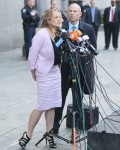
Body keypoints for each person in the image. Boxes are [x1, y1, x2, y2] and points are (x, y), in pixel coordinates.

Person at [18, 8, 63, 149]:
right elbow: (32, 54)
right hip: (44, 74)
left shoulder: (58, 33)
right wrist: (33, 71)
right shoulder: (41, 34)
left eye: (60, 17)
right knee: (42, 105)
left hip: (55, 72)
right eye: (56, 17)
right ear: (49, 20)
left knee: (52, 105)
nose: (59, 19)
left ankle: (49, 134)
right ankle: (28, 134)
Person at [54, 3, 96, 134]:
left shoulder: (88, 28)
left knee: (78, 100)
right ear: (66, 13)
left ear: (80, 14)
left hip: (80, 70)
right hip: (64, 70)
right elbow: (54, 48)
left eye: (75, 11)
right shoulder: (60, 28)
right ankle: (54, 127)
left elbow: (92, 50)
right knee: (59, 99)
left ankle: (76, 128)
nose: (72, 13)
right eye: (70, 11)